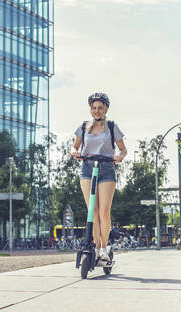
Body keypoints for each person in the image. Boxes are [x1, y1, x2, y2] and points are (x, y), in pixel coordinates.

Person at [71, 93, 127, 261]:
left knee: (103, 212)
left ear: (106, 109)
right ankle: (94, 248)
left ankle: (104, 248)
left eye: (100, 108)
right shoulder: (83, 127)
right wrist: (74, 152)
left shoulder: (111, 126)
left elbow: (123, 149)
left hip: (107, 169)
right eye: (94, 108)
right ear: (91, 109)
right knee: (92, 212)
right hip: (87, 169)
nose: (96, 111)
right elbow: (74, 147)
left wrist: (120, 157)